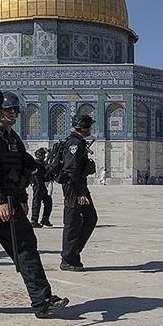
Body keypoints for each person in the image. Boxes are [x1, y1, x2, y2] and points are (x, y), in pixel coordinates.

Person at [0, 91, 69, 318]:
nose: (13, 114)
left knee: (26, 248)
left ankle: (41, 300)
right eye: (9, 110)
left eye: (16, 110)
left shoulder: (13, 139)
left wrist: (26, 194)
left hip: (11, 203)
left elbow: (24, 167)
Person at [58, 115, 99, 271]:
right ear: (82, 127)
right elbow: (71, 170)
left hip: (80, 187)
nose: (90, 129)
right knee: (72, 223)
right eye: (88, 126)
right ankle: (67, 259)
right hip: (73, 188)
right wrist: (79, 193)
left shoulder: (79, 142)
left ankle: (74, 252)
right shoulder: (74, 143)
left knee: (91, 217)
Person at [29, 148, 52, 228]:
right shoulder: (35, 163)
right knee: (37, 202)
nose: (41, 157)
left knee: (48, 201)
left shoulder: (42, 163)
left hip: (42, 185)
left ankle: (45, 219)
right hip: (37, 185)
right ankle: (34, 220)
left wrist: (49, 156)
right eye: (40, 155)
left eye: (42, 155)